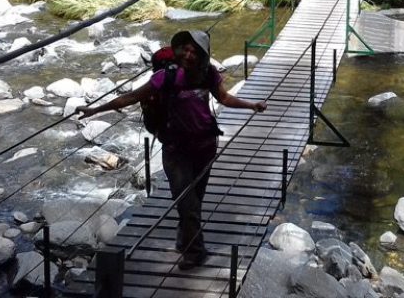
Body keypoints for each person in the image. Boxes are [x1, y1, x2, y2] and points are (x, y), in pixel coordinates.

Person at [76, 30, 266, 269]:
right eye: (184, 49)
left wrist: (251, 106)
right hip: (176, 150)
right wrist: (95, 110)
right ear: (178, 50)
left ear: (202, 55)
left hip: (205, 146)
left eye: (193, 51)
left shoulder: (208, 74)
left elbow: (224, 98)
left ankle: (184, 237)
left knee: (194, 201)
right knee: (186, 200)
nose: (188, 54)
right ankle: (195, 252)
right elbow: (131, 97)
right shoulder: (165, 78)